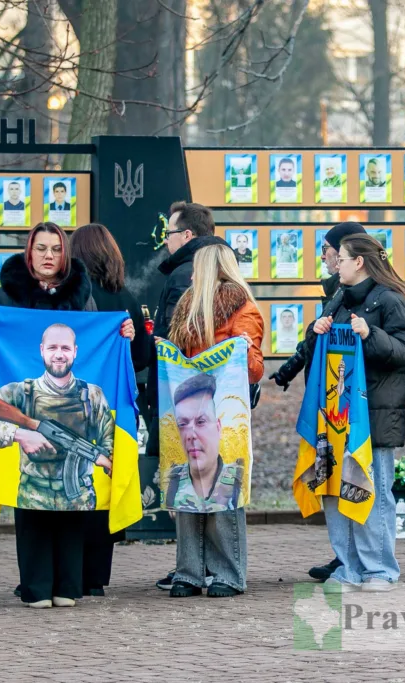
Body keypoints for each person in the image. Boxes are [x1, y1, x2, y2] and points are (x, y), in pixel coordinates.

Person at [0, 221, 135, 609]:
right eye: (41, 248)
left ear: (66, 254)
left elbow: (94, 340)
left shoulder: (81, 292)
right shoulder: (7, 294)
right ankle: (35, 586)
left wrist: (121, 334)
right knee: (31, 501)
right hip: (27, 409)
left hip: (74, 410)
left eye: (56, 249)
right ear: (29, 253)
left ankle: (67, 584)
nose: (48, 256)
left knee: (71, 499)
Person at [305, 234, 405, 591]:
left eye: (342, 257)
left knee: (373, 490)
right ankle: (349, 567)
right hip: (335, 415)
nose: (335, 263)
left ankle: (379, 569)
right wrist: (315, 332)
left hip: (374, 415)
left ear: (360, 262)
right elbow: (317, 352)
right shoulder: (338, 299)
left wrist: (370, 334)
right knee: (337, 490)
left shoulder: (391, 299)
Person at [269, 221, 366, 582]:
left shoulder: (357, 293)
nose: (324, 255)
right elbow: (315, 339)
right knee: (330, 481)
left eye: (328, 249)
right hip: (329, 405)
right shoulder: (336, 292)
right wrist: (290, 370)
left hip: (348, 405)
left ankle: (356, 560)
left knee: (351, 482)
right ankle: (344, 557)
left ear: (348, 254)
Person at [166, 243, 264, 597]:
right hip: (190, 409)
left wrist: (244, 347)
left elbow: (254, 370)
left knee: (225, 486)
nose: (191, 275)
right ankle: (189, 572)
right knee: (189, 488)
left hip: (224, 410)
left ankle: (228, 573)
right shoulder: (186, 308)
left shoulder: (243, 309)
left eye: (196, 268)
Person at [147, 201, 226, 591]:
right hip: (202, 396)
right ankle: (197, 566)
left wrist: (152, 346)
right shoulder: (209, 268)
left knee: (192, 477)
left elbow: (179, 340)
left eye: (170, 234)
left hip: (185, 393)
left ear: (188, 237)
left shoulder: (184, 274)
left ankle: (196, 567)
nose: (166, 242)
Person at [70, 223, 151, 597]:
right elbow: (141, 357)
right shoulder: (126, 299)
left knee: (71, 485)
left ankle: (68, 571)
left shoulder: (69, 299)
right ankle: (96, 577)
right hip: (113, 411)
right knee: (105, 487)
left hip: (71, 408)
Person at [0, 323, 115, 511]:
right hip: (31, 496)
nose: (59, 354)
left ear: (75, 351)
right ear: (41, 350)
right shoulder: (21, 392)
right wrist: (20, 434)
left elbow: (110, 439)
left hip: (80, 499)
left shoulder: (92, 395)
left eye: (65, 348)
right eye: (52, 348)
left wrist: (108, 459)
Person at [163, 374, 243, 512]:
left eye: (201, 422)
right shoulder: (173, 483)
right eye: (183, 424)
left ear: (218, 427)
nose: (191, 435)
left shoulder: (237, 480)